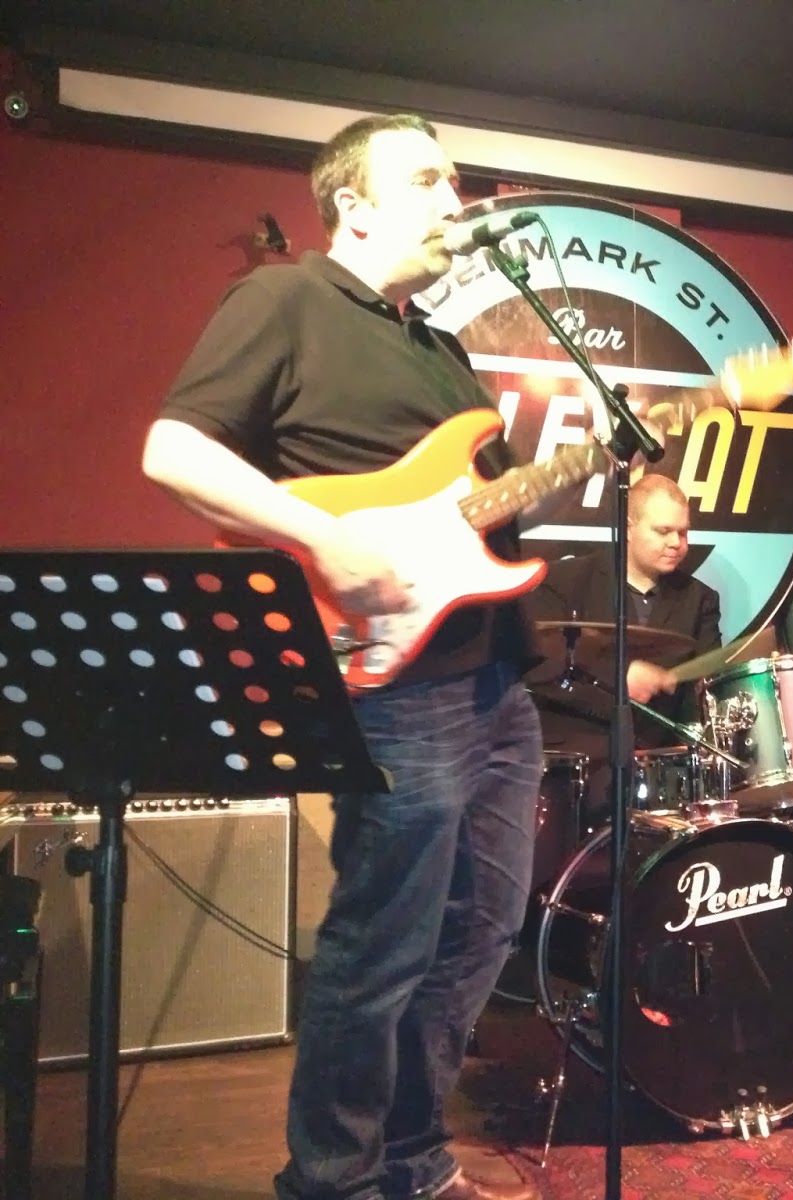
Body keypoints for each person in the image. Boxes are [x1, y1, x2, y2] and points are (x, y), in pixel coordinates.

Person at [143, 113, 543, 1200]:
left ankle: (411, 1158)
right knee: (382, 947)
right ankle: (331, 1181)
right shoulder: (285, 299)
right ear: (352, 206)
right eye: (427, 179)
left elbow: (467, 510)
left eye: (454, 178)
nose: (454, 198)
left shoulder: (441, 348)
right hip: (398, 688)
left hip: (495, 678)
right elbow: (173, 450)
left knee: (481, 932)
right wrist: (323, 538)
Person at [533, 472, 723, 748]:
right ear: (629, 529)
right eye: (663, 531)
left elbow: (707, 689)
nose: (676, 542)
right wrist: (619, 678)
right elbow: (538, 666)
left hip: (659, 758)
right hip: (577, 753)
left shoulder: (699, 598)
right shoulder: (564, 581)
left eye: (683, 532)